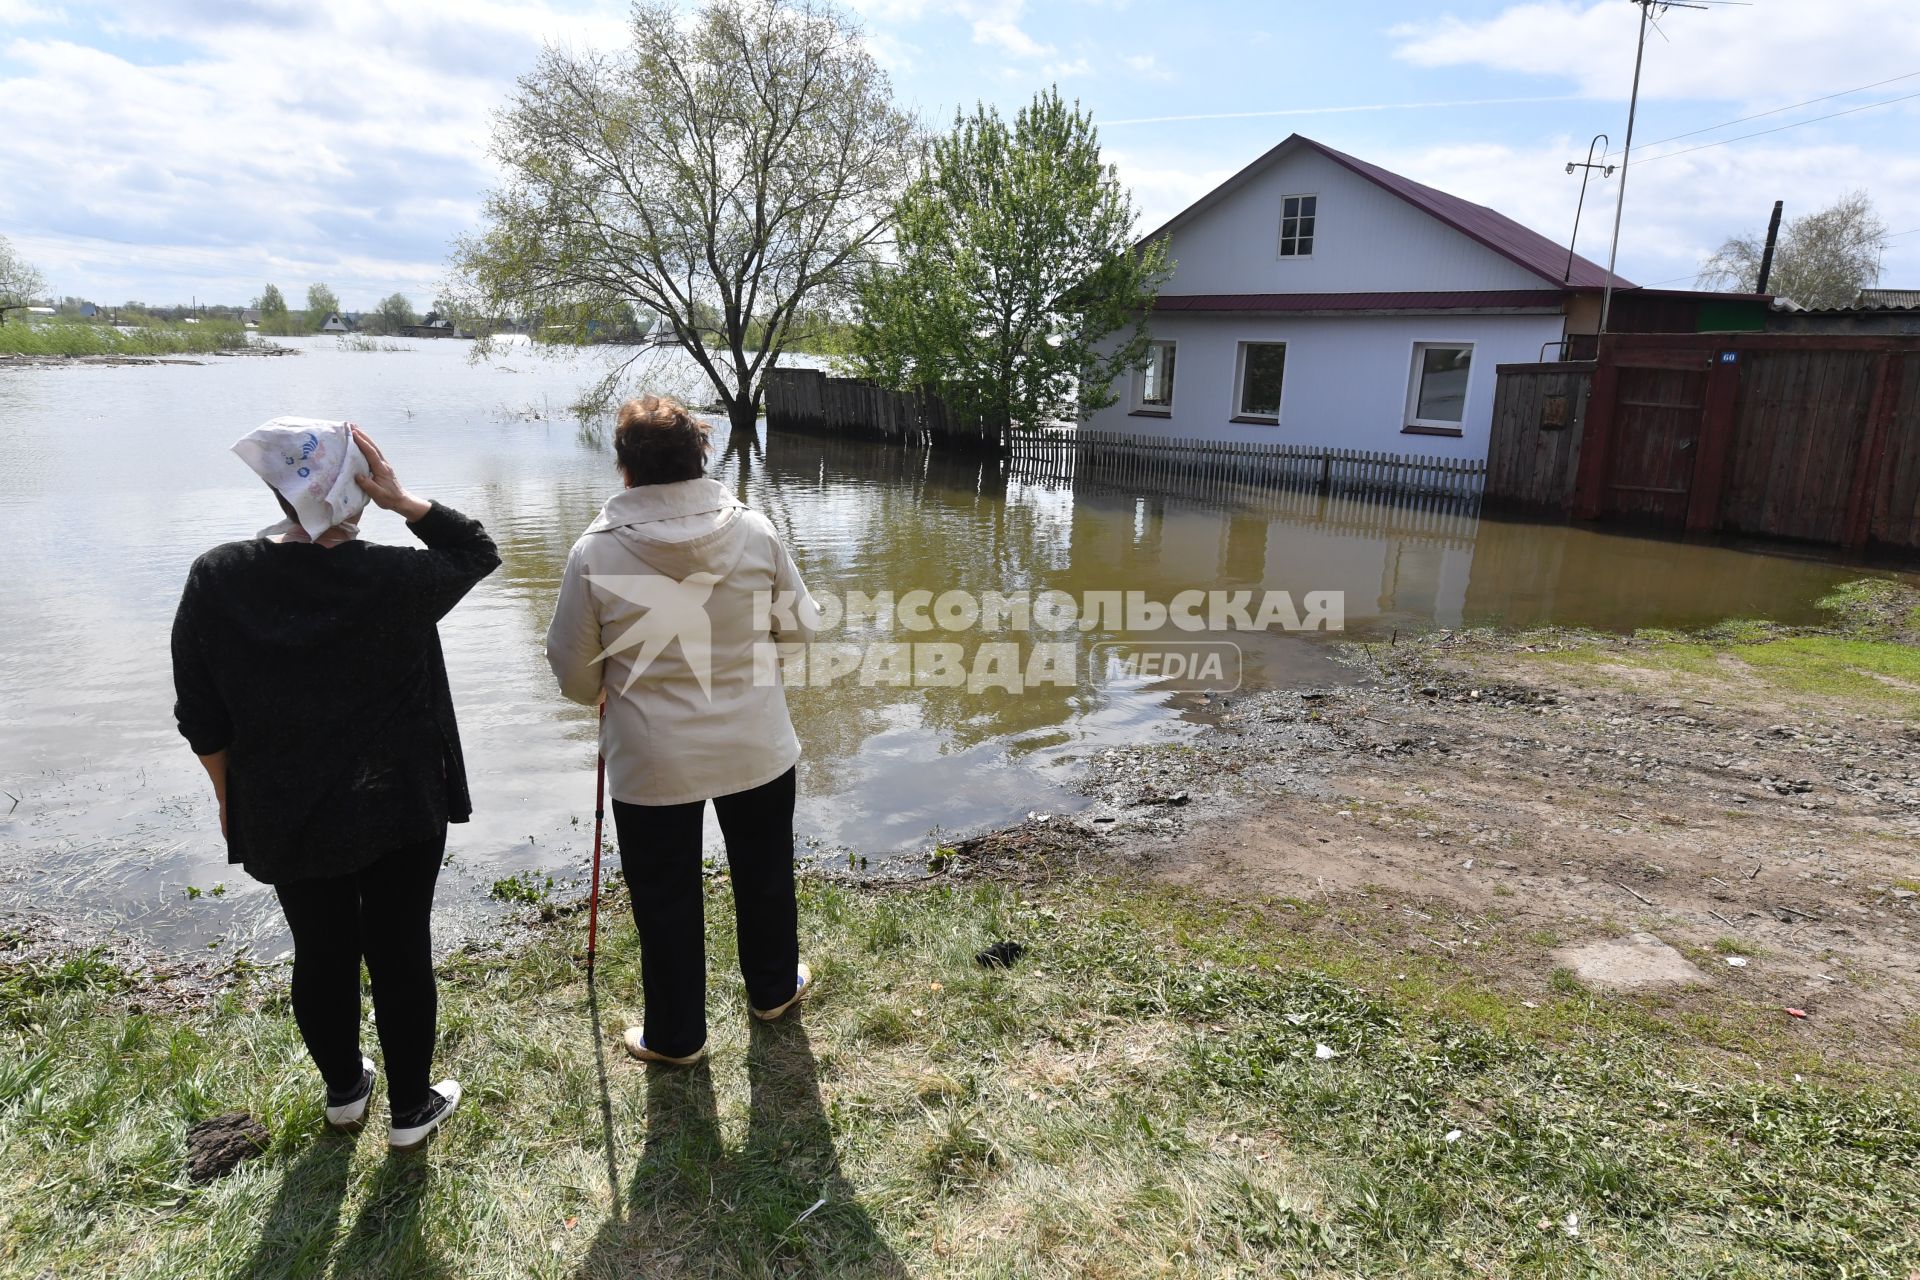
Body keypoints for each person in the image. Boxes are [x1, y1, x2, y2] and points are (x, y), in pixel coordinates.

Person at [170, 419, 499, 1152]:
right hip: (399, 799)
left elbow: (201, 715)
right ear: (356, 487)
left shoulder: (218, 576)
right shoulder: (394, 577)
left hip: (286, 807)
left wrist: (230, 795)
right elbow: (477, 550)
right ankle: (411, 1110)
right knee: (399, 947)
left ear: (276, 489)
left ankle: (346, 1092)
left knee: (320, 948)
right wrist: (403, 500)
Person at [546, 396, 817, 1066]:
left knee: (664, 896)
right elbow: (803, 630)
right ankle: (774, 990)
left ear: (624, 468)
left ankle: (677, 1037)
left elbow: (571, 668)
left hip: (651, 756)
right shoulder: (755, 532)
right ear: (702, 455)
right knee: (765, 870)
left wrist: (601, 694)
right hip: (756, 741)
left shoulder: (596, 552)